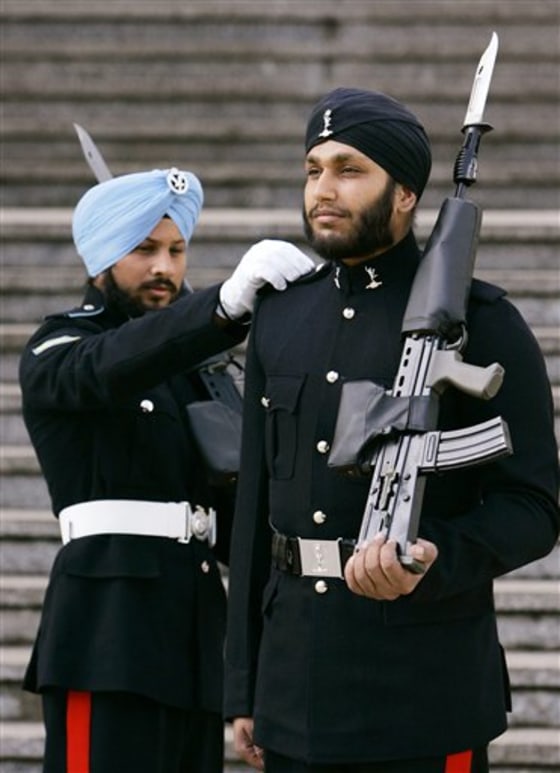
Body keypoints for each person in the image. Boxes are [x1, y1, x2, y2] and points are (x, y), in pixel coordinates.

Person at [224, 88, 560, 772]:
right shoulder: (282, 318)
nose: (324, 187)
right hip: (295, 687)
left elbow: (535, 505)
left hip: (425, 687)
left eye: (349, 169)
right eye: (313, 168)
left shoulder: (481, 320)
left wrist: (437, 556)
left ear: (405, 193)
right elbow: (255, 513)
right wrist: (244, 685)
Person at [19, 165, 314, 773]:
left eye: (177, 249)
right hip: (106, 637)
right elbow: (110, 365)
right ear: (101, 257)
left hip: (193, 640)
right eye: (144, 249)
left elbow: (243, 511)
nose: (165, 267)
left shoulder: (199, 371)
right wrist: (223, 308)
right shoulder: (59, 347)